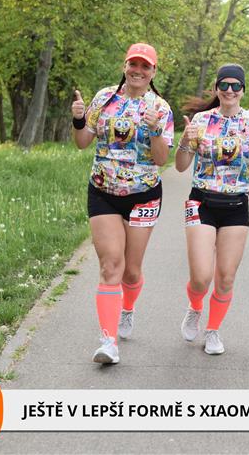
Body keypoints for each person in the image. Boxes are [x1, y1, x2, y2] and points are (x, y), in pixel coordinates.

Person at [70, 42, 174, 364]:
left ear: (153, 72)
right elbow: (82, 143)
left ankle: (127, 307)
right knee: (110, 265)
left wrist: (155, 129)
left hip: (143, 195)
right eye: (133, 64)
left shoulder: (160, 108)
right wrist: (78, 120)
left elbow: (161, 159)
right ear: (124, 66)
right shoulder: (104, 98)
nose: (138, 71)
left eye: (145, 66)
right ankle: (108, 341)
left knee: (131, 271)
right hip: (103, 191)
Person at [175, 63, 249, 354]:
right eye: (224, 85)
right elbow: (180, 166)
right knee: (201, 277)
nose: (229, 90)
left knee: (226, 277)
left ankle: (213, 330)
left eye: (235, 85)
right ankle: (196, 306)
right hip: (201, 201)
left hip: (236, 206)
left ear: (243, 90)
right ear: (216, 88)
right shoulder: (201, 120)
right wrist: (185, 141)